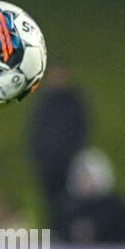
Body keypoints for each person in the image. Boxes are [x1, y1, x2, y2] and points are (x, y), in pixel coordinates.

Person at [28, 64, 88, 237]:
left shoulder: (74, 101)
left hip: (69, 162)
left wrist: (76, 154)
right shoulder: (43, 102)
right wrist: (38, 156)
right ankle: (54, 233)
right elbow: (35, 131)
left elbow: (81, 129)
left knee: (70, 200)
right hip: (48, 163)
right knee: (50, 202)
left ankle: (69, 233)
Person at [63, 147, 125, 244]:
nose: (85, 181)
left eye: (89, 177)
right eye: (81, 177)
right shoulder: (70, 206)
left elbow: (124, 234)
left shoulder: (114, 206)